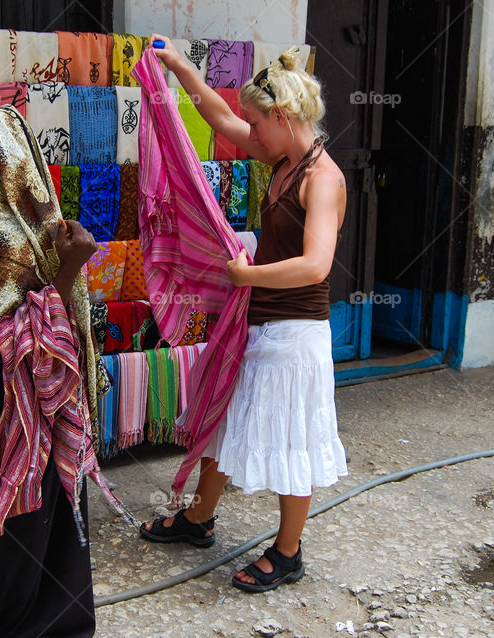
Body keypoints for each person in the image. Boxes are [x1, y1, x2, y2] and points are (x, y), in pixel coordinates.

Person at [139, 36, 349, 593]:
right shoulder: (282, 158)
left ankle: (287, 552)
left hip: (294, 333)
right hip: (255, 322)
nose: (248, 133)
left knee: (290, 442)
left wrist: (247, 275)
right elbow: (221, 118)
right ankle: (199, 520)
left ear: (283, 116)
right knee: (221, 419)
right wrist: (181, 68)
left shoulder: (322, 179)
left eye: (258, 123)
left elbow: (316, 265)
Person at [0, 107, 120, 636]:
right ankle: (30, 618)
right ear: (19, 157)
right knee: (27, 507)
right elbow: (10, 330)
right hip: (17, 396)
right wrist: (73, 265)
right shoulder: (2, 232)